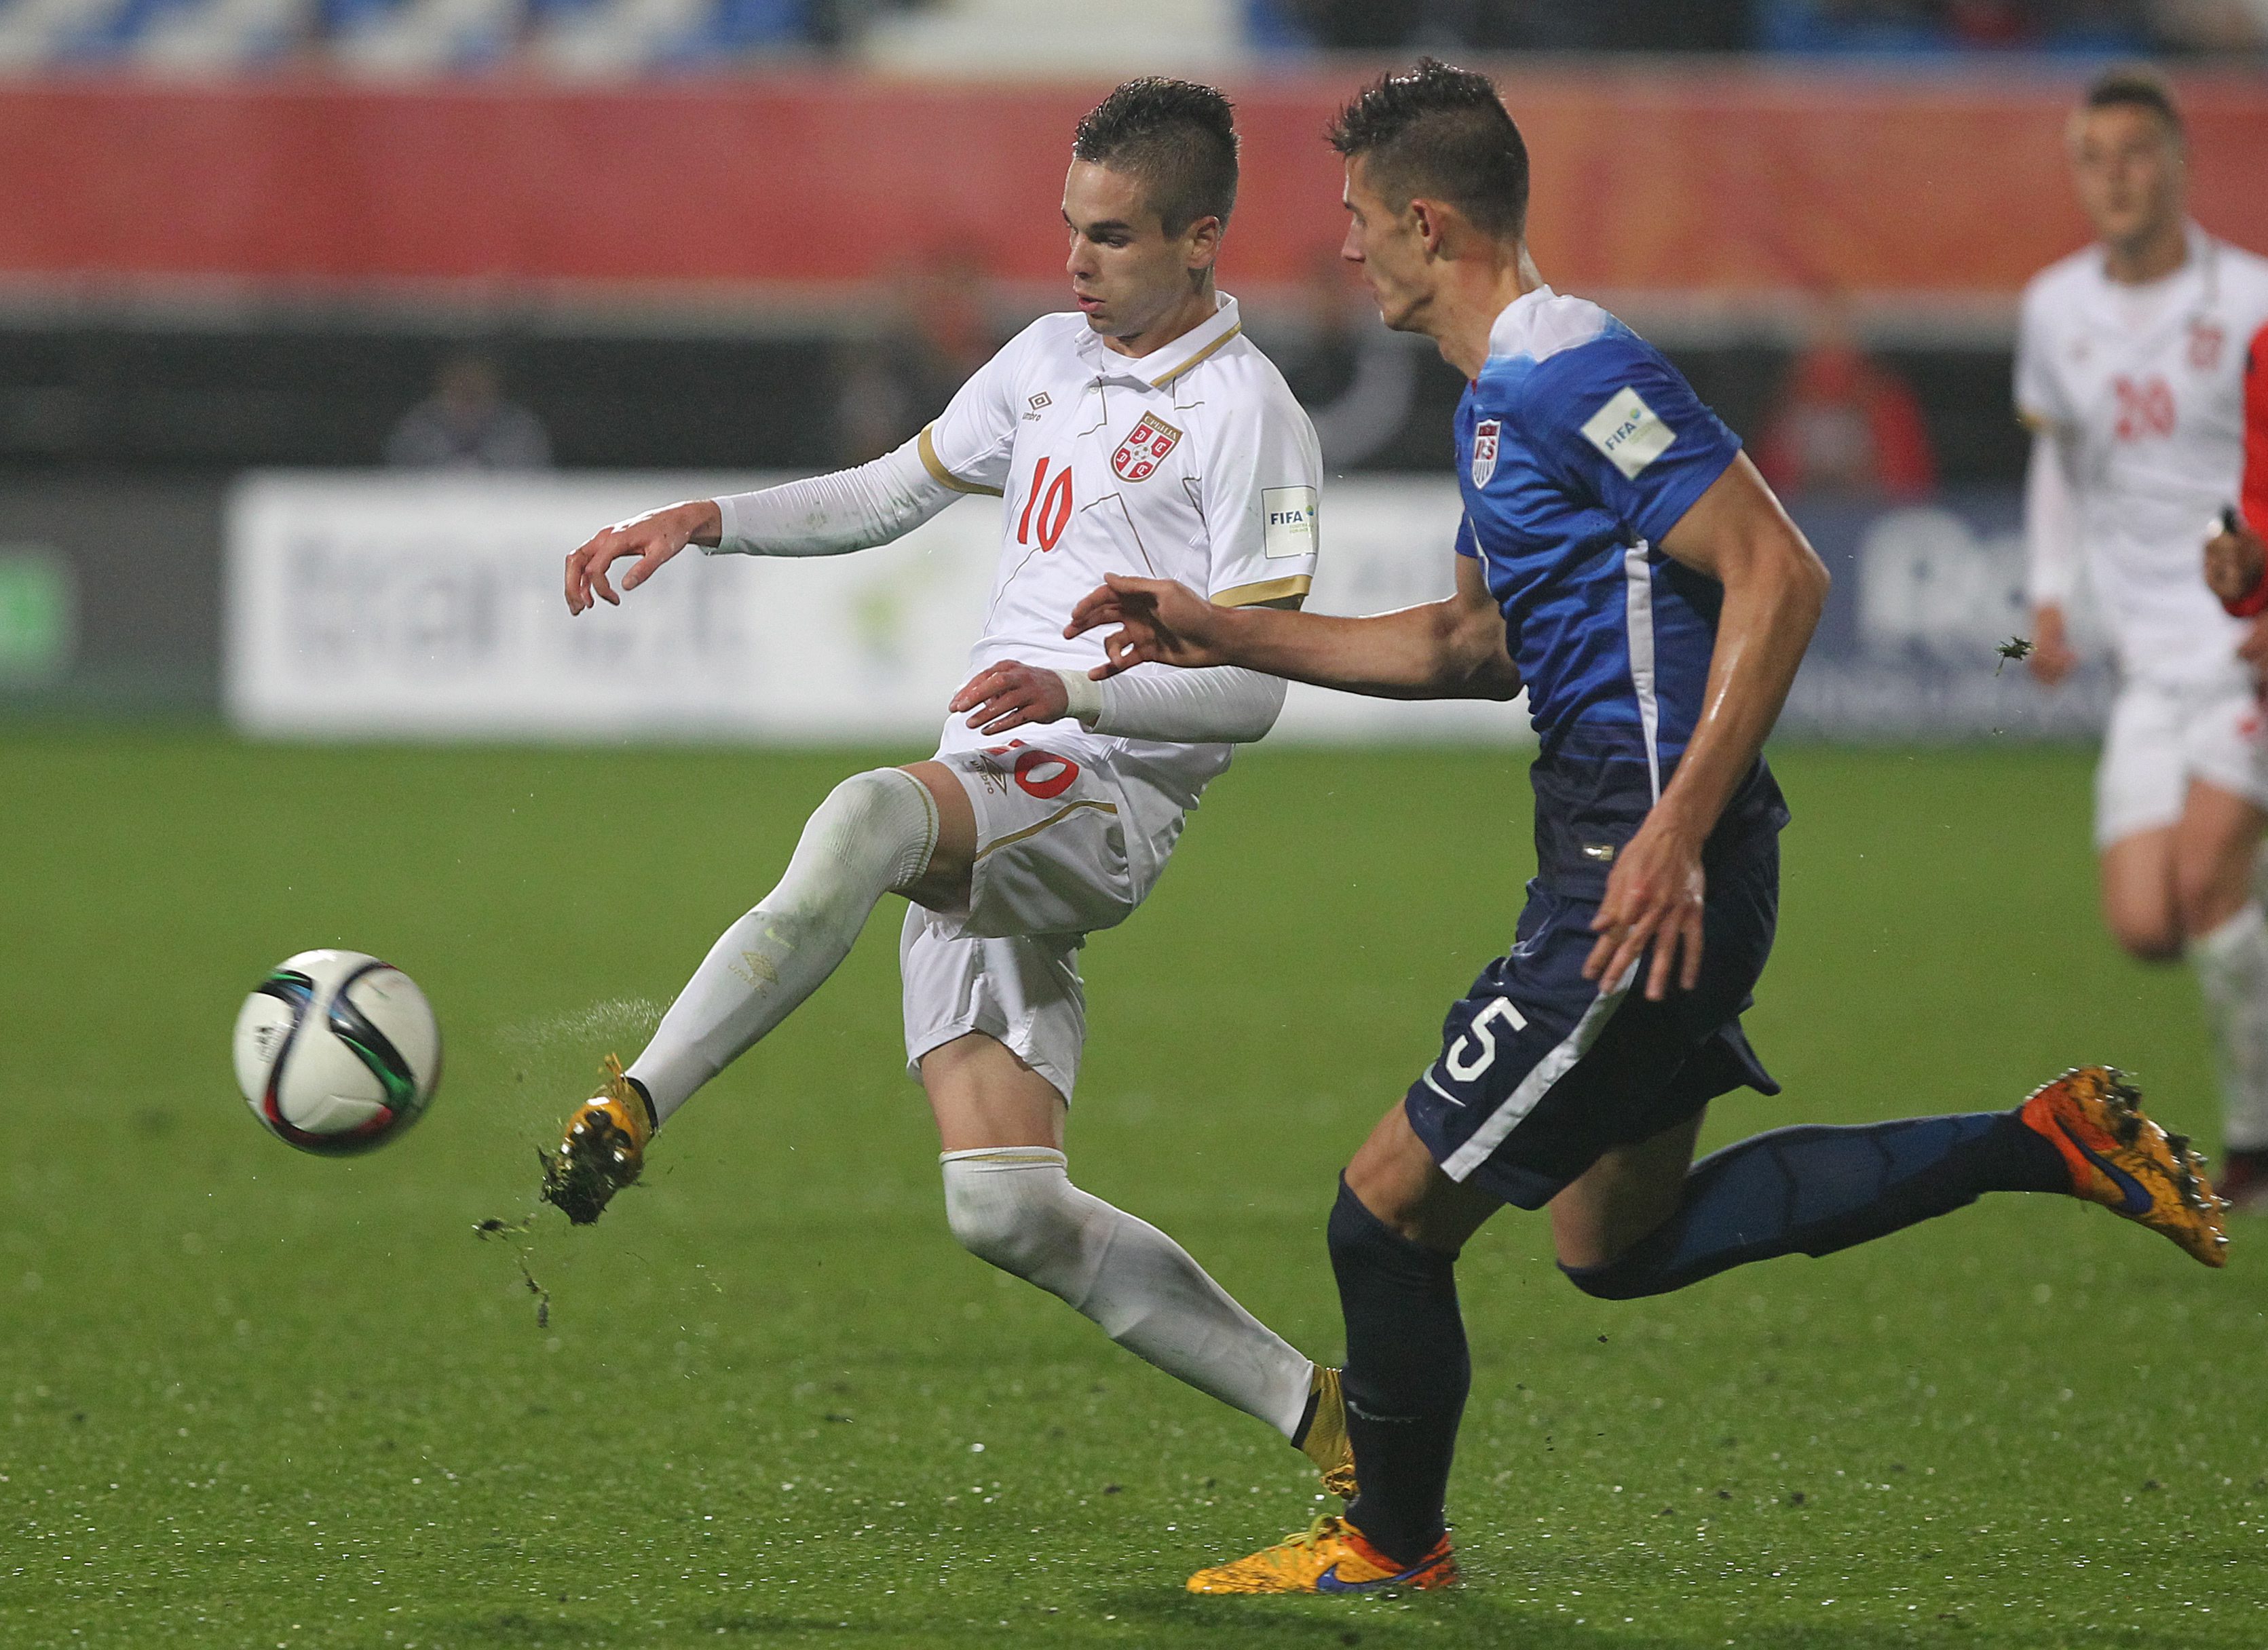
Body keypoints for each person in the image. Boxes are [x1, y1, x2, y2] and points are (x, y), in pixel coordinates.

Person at [1062, 59, 2228, 1596]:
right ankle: (2041, 1138)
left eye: (1357, 217)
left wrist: (1671, 832)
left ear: (1427, 223)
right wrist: (1219, 626)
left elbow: (1778, 570)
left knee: (1381, 1214)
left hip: (1641, 871)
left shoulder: (1567, 369)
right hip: (1649, 859)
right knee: (1616, 1240)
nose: (1343, 247)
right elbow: (1467, 648)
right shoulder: (1499, 406)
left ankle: (1391, 1543)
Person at [545, 79, 1354, 1497]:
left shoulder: (1252, 417)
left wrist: (1080, 691)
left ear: (1200, 240)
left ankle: (636, 1104)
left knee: (868, 814)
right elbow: (886, 492)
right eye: (1069, 227)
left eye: (1111, 236)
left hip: (1103, 791)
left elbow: (1257, 687)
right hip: (1001, 774)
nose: (1075, 261)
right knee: (1005, 1209)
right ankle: (1335, 1419)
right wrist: (707, 519)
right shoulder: (1045, 356)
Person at [2018, 69, 2268, 1208]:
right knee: (2147, 923)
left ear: (2177, 163)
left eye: (2134, 153)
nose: (2114, 177)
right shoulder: (2054, 308)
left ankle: (2255, 1143)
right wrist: (2049, 597)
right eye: (2093, 158)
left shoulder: (2249, 300)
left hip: (2242, 646)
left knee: (2209, 882)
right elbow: (2059, 461)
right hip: (2144, 664)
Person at [383, 353, 552, 470]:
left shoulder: (521, 429)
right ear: (443, 386)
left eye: (476, 390)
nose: (468, 395)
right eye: (460, 388)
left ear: (493, 388)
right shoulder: (417, 428)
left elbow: (535, 477)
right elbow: (398, 475)